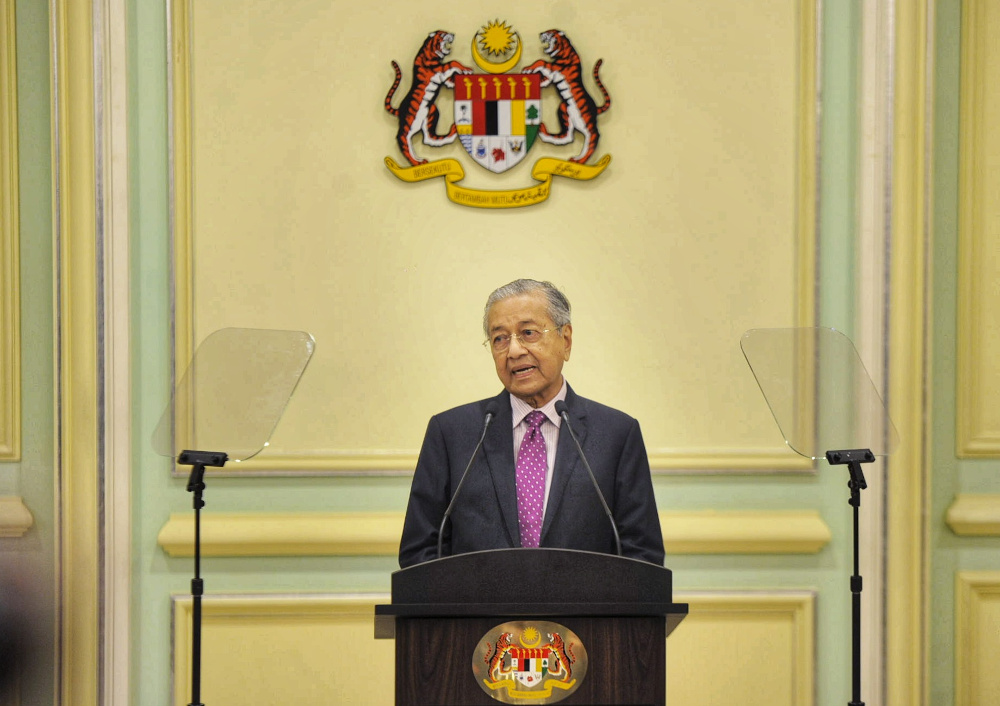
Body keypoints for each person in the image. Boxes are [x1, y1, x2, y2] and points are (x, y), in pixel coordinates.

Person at [398, 278, 664, 567]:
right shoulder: (451, 433)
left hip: (580, 612)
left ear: (566, 340)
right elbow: (421, 553)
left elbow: (641, 556)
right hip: (481, 612)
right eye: (500, 338)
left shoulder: (616, 434)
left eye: (528, 333)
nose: (513, 351)